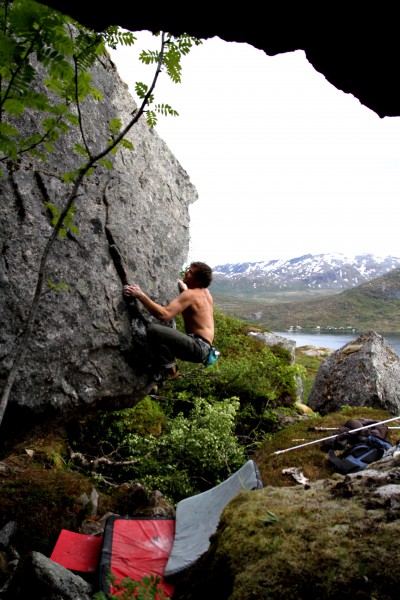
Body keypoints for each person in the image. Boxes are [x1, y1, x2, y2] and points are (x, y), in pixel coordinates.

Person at [123, 262, 214, 382]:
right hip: (203, 348)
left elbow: (164, 315)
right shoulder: (205, 292)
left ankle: (170, 370)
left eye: (191, 273)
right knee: (165, 334)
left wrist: (140, 295)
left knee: (153, 330)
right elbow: (194, 299)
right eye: (188, 270)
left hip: (197, 346)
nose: (187, 272)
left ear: (198, 281)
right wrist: (186, 287)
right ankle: (163, 373)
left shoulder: (190, 294)